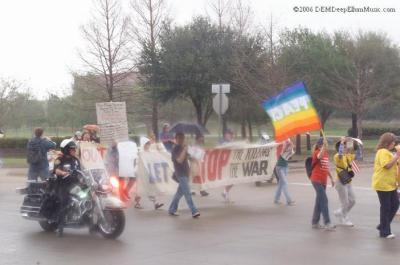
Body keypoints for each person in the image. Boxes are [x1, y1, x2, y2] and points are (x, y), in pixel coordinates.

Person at [372, 132, 400, 239]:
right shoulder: (382, 152)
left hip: (390, 184)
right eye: (393, 142)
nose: (394, 144)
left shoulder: (388, 152)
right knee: (386, 207)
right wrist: (397, 156)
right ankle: (385, 232)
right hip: (382, 184)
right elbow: (387, 166)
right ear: (388, 142)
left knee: (395, 204)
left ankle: (382, 225)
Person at [168, 132, 200, 218]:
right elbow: (179, 160)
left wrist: (193, 153)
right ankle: (194, 211)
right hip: (180, 174)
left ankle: (172, 209)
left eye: (183, 138)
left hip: (186, 173)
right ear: (176, 139)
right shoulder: (175, 149)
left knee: (179, 194)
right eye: (179, 138)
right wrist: (185, 150)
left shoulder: (183, 148)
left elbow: (191, 158)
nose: (181, 140)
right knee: (187, 193)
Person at [53, 139, 81, 237]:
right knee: (64, 201)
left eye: (74, 149)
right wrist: (63, 172)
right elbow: (56, 170)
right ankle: (60, 226)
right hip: (63, 184)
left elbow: (82, 170)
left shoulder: (76, 160)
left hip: (75, 184)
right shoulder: (60, 159)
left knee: (89, 194)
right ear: (66, 149)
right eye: (72, 149)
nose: (74, 150)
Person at [333, 137, 362, 226]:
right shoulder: (337, 156)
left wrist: (357, 144)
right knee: (345, 202)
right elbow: (341, 154)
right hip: (340, 182)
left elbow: (359, 156)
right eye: (344, 147)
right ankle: (344, 218)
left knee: (352, 200)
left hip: (348, 181)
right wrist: (342, 142)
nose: (346, 148)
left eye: (345, 146)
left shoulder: (348, 156)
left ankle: (340, 212)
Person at [310, 137, 336, 231]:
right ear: (321, 145)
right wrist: (323, 146)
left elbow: (326, 167)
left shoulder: (325, 153)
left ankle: (315, 222)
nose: (327, 146)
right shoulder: (317, 152)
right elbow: (319, 157)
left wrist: (332, 178)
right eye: (325, 144)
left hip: (323, 181)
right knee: (324, 200)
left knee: (319, 201)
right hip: (316, 180)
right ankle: (327, 222)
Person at [139, 136, 164, 210]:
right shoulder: (141, 153)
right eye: (147, 144)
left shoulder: (150, 152)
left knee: (151, 188)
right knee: (141, 188)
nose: (148, 145)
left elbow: (155, 159)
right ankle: (137, 202)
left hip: (149, 173)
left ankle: (155, 203)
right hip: (142, 174)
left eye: (149, 143)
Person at [274, 139, 295, 206]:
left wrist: (291, 144)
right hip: (280, 167)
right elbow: (282, 151)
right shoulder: (279, 144)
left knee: (281, 184)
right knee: (284, 183)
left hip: (285, 167)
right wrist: (288, 144)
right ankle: (289, 200)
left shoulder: (286, 142)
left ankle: (276, 199)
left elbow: (290, 151)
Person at [220, 129, 234, 202]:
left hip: (229, 163)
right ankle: (225, 193)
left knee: (232, 180)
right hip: (223, 164)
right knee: (230, 180)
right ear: (226, 135)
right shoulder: (222, 141)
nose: (231, 136)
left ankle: (225, 193)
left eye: (232, 135)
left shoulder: (231, 141)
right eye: (230, 134)